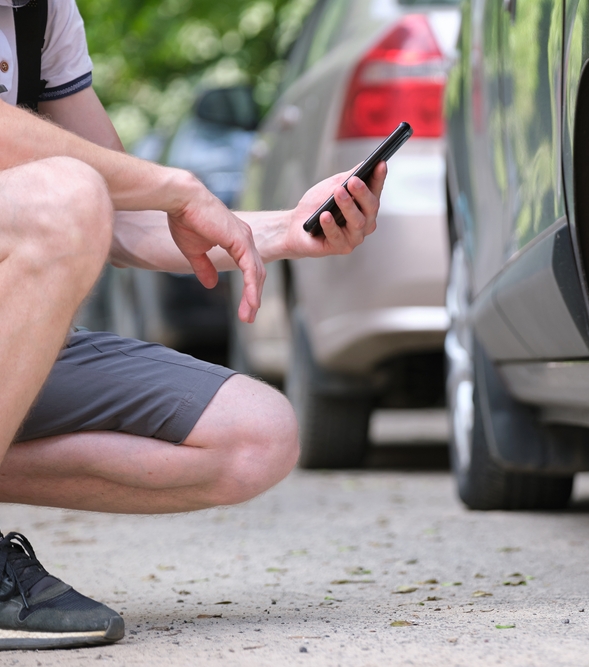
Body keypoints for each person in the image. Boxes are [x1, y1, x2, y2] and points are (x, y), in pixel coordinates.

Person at [0, 0, 387, 650]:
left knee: (258, 436)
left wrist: (283, 230)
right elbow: (82, 192)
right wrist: (173, 185)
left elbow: (122, 213)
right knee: (69, 194)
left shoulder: (46, 14)